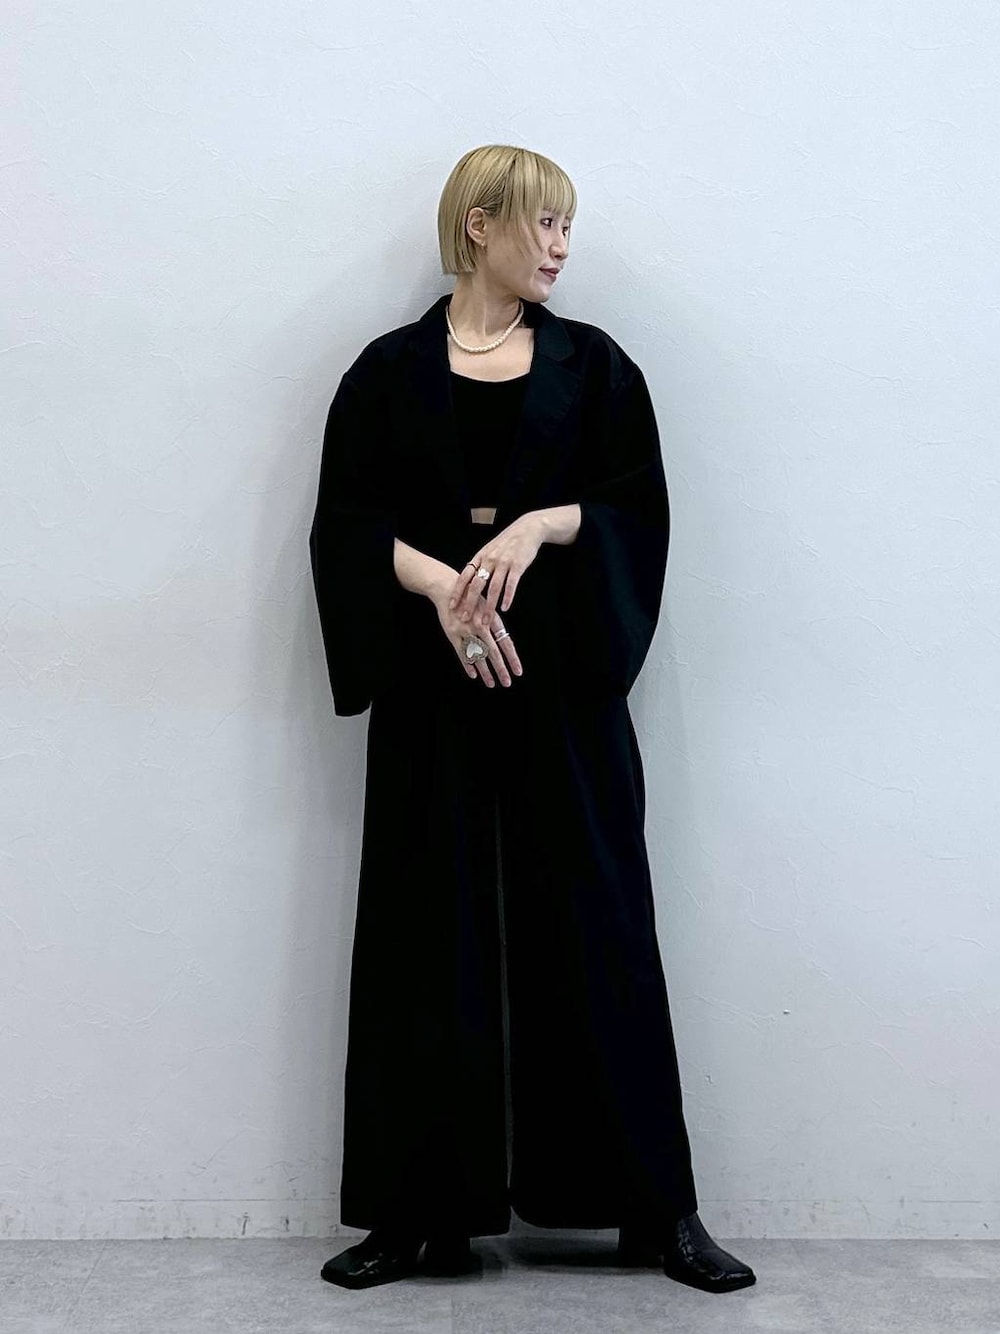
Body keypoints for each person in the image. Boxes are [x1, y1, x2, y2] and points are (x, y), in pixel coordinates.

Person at [309, 144, 756, 1295]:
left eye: (566, 225)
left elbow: (635, 514)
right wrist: (440, 588)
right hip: (431, 683)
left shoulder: (596, 369)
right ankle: (418, 1214)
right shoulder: (386, 373)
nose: (560, 245)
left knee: (599, 922)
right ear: (479, 225)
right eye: (542, 222)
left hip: (562, 678)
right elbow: (346, 524)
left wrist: (540, 523)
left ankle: (655, 1208)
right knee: (424, 931)